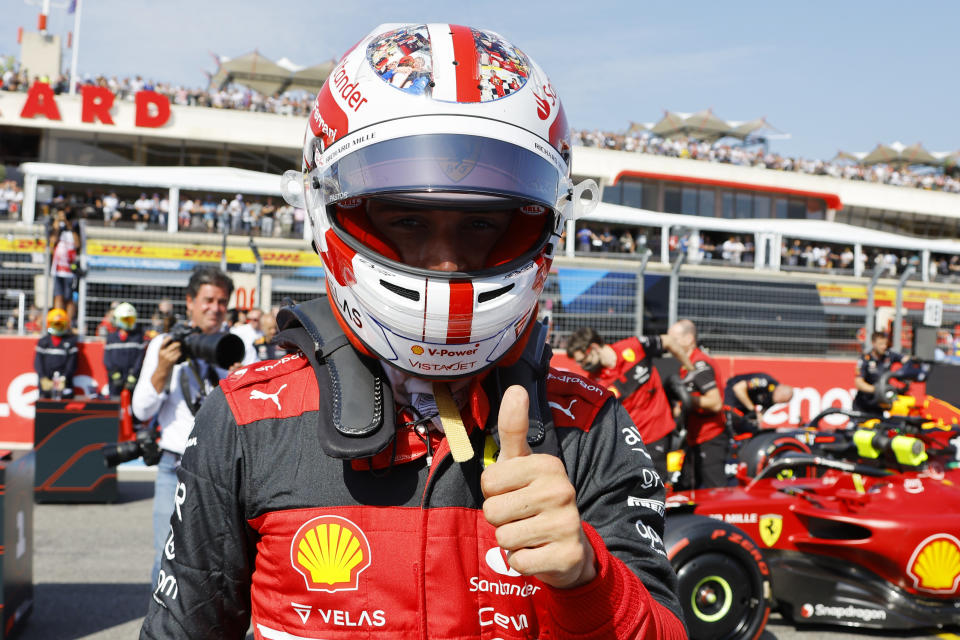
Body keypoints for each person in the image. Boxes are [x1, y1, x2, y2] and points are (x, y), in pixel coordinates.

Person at [140, 23, 685, 639]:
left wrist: (589, 581)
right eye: (407, 218)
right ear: (326, 210)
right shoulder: (248, 417)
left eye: (482, 224)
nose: (445, 262)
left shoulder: (588, 423)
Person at [132, 266, 253, 586]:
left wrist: (241, 379)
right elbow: (141, 410)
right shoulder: (164, 344)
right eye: (208, 300)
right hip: (174, 466)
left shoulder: (238, 345)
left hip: (224, 470)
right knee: (166, 559)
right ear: (190, 302)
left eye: (222, 302)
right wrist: (163, 367)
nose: (215, 308)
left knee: (223, 561)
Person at [566, 326, 694, 481]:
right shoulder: (594, 383)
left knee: (656, 490)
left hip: (657, 433)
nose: (581, 366)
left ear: (593, 348)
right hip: (629, 445)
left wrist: (690, 369)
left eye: (582, 360)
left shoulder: (634, 346)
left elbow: (668, 341)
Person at [667, 318, 727, 489]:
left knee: (714, 492)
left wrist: (686, 399)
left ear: (688, 339)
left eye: (674, 340)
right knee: (687, 489)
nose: (670, 346)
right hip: (693, 439)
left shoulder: (700, 364)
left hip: (710, 438)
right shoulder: (685, 365)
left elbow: (715, 403)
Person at [853, 331, 909, 415]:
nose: (884, 346)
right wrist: (878, 390)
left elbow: (906, 360)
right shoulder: (865, 359)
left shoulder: (889, 355)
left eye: (885, 344)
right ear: (873, 343)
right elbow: (859, 383)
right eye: (881, 344)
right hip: (863, 404)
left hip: (880, 404)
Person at [723, 372, 793, 434]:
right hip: (730, 398)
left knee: (751, 429)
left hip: (743, 408)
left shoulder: (774, 399)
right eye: (781, 400)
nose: (779, 403)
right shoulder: (765, 382)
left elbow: (760, 414)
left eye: (782, 402)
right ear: (779, 390)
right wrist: (752, 409)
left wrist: (757, 418)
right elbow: (738, 389)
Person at [103, 302, 146, 398]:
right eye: (126, 320)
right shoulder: (111, 338)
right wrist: (115, 375)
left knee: (134, 406)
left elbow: (139, 359)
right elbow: (107, 360)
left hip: (132, 379)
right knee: (115, 405)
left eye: (131, 320)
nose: (129, 323)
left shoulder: (137, 337)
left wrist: (133, 376)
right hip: (115, 380)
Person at [34, 308, 78, 399]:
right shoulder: (43, 342)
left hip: (64, 381)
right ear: (49, 324)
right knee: (44, 404)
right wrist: (43, 378)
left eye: (61, 325)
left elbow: (72, 363)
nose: (58, 327)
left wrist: (64, 378)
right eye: (56, 325)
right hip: (46, 379)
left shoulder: (70, 342)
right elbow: (38, 362)